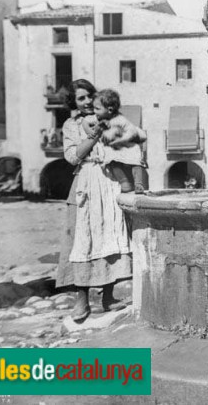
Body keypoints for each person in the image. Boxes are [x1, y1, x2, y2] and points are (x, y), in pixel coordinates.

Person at [55, 80, 141, 323]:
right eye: (80, 98)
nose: (85, 102)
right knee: (83, 240)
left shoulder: (110, 118)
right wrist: (93, 137)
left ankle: (108, 297)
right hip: (86, 180)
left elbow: (127, 146)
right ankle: (81, 300)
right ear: (73, 102)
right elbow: (72, 157)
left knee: (110, 234)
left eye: (89, 97)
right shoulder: (71, 125)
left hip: (110, 180)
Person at [88, 88, 147, 194]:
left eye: (97, 108)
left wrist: (120, 140)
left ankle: (138, 184)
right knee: (112, 163)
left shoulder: (120, 119)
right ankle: (124, 183)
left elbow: (132, 131)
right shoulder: (100, 120)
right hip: (114, 149)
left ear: (110, 110)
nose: (94, 111)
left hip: (127, 146)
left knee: (135, 163)